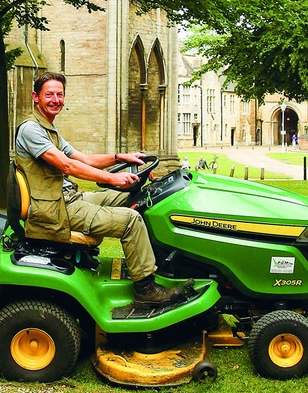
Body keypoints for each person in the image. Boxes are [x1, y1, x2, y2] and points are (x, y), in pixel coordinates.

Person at [14, 70, 193, 317]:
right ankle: (146, 290)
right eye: (49, 95)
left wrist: (121, 157)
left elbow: (85, 158)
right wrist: (112, 178)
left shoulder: (48, 129)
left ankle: (156, 265)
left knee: (137, 198)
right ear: (36, 97)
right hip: (55, 210)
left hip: (66, 198)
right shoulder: (31, 130)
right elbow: (68, 166)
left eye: (59, 94)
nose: (55, 100)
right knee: (130, 221)